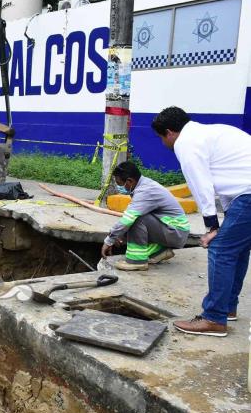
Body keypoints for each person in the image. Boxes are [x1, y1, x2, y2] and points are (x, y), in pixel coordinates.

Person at [152, 106, 251, 336]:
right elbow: (228, 183)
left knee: (220, 249)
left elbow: (201, 186)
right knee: (238, 249)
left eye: (161, 138)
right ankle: (227, 308)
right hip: (244, 193)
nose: (163, 143)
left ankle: (214, 318)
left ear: (169, 132)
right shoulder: (211, 133)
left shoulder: (186, 144)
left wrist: (211, 227)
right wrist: (224, 222)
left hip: (248, 194)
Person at [101, 161, 190, 271]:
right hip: (174, 230)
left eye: (119, 184)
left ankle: (137, 261)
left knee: (136, 219)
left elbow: (128, 219)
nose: (119, 187)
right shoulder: (144, 185)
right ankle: (159, 252)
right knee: (131, 221)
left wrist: (109, 239)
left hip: (176, 232)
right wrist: (119, 234)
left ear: (130, 181)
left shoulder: (145, 191)